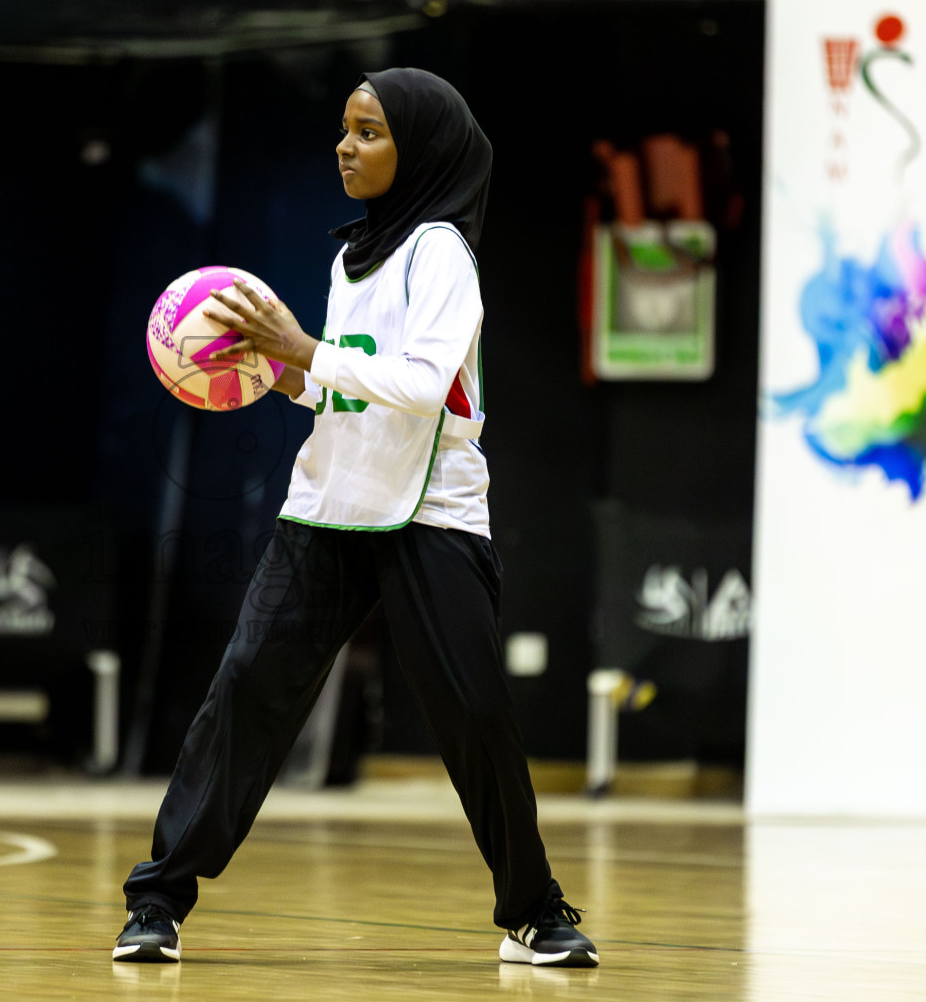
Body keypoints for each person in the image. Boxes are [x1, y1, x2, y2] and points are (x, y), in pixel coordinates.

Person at [113, 68, 599, 969]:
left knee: (475, 715)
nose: (345, 145)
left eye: (369, 132)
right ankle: (157, 903)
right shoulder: (352, 257)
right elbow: (349, 394)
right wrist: (288, 374)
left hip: (432, 517)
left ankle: (534, 912)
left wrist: (310, 352)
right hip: (328, 507)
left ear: (419, 148)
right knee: (245, 693)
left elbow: (418, 387)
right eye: (343, 128)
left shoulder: (442, 253)